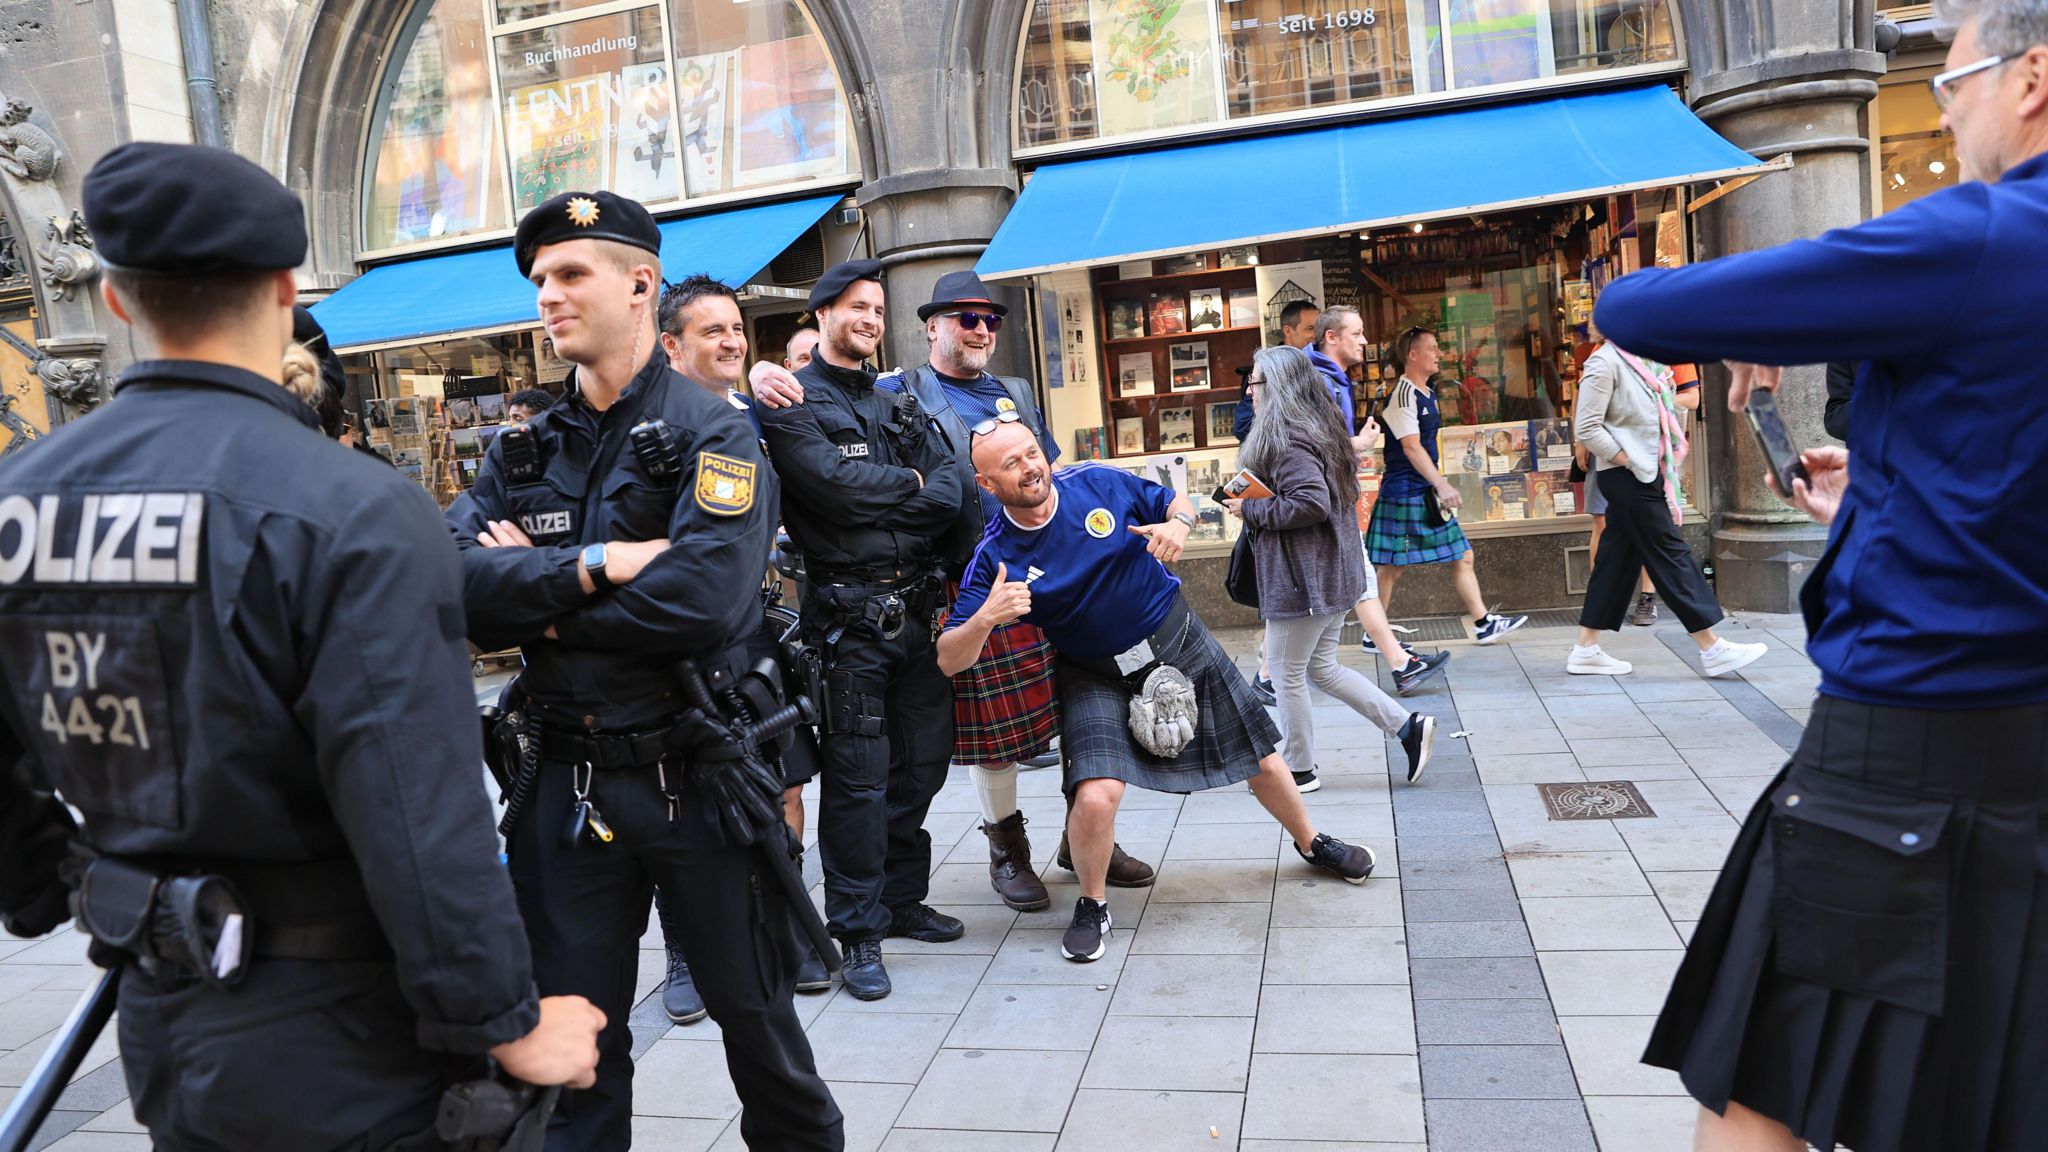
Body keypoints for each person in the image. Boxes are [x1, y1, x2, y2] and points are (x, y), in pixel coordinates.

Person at [0, 143, 604, 1150]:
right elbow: (417, 807)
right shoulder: (348, 508)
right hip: (350, 1034)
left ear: (114, 300)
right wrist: (504, 1019)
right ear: (286, 289)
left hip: (164, 1013)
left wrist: (46, 882)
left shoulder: (20, 504)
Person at [1593, 3, 2048, 1149]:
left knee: (1759, 1084)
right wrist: (1891, 482)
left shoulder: (1983, 233)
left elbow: (1637, 311)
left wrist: (1781, 316)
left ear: (2029, 77)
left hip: (1901, 746)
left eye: (1952, 85)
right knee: (1985, 1096)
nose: (1947, 111)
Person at [445, 190, 841, 1150]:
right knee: (573, 1055)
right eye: (540, 280)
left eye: (570, 274)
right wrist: (589, 567)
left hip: (698, 773)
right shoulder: (521, 446)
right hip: (564, 783)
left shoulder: (716, 431)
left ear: (639, 283)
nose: (548, 296)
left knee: (761, 1033)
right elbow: (451, 588)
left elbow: (702, 601)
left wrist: (533, 606)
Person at [939, 423, 1379, 961]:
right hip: (1093, 671)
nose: (1030, 467)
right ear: (987, 484)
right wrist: (984, 618)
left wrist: (1181, 525)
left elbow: (1178, 501)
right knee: (1096, 794)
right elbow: (949, 658)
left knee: (1259, 756)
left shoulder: (1097, 483)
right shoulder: (994, 555)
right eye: (1011, 463)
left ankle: (1313, 842)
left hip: (1176, 638)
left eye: (1032, 453)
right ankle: (1093, 903)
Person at [752, 260, 966, 1001]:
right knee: (858, 783)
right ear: (822, 315)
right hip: (848, 626)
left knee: (924, 766)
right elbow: (832, 492)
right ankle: (858, 930)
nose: (871, 319)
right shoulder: (789, 401)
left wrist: (904, 492)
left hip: (918, 614)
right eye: (856, 307)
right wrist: (907, 487)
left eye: (878, 309)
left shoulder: (895, 401)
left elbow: (951, 486)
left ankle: (902, 901)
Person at [650, 273, 833, 1016]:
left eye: (736, 330)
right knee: (679, 801)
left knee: (784, 784)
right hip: (679, 641)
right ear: (670, 345)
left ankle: (782, 920)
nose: (730, 342)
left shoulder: (756, 415)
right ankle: (686, 951)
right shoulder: (651, 428)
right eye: (711, 332)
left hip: (754, 631)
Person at [1228, 347, 1440, 789]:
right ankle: (1407, 726)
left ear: (1278, 387)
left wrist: (1251, 511)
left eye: (1256, 380)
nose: (1249, 389)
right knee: (1321, 668)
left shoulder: (1286, 437)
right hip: (1326, 572)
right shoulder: (1316, 428)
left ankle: (1299, 769)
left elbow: (1310, 503)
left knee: (1285, 673)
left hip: (1305, 579)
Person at [1566, 340, 1766, 679]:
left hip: (1646, 471)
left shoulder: (1645, 364)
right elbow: (1586, 427)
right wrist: (1628, 460)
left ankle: (1586, 648)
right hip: (1628, 475)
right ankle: (1711, 646)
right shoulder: (1604, 363)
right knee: (1669, 552)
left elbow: (1668, 410)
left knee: (1616, 560)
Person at [1366, 326, 1530, 643]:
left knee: (1461, 555)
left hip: (1423, 491)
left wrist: (1437, 485)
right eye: (1432, 348)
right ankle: (1375, 635)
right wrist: (1442, 484)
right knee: (1390, 567)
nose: (1439, 354)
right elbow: (1411, 447)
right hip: (1404, 493)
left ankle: (1483, 623)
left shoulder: (1428, 392)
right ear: (1412, 355)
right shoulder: (1402, 396)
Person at [1573, 335, 1703, 628]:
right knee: (1636, 537)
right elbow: (1588, 410)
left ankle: (1594, 637)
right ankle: (1710, 640)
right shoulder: (1603, 356)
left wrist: (1658, 400)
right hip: (1622, 460)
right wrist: (1608, 451)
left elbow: (1691, 399)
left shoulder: (1668, 348)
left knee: (1638, 543)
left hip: (1650, 457)